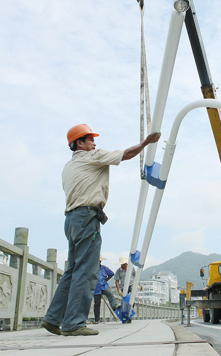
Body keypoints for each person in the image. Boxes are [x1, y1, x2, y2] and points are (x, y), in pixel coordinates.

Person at [42, 124, 160, 336]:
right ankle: (74, 324)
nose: (94, 143)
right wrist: (146, 143)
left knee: (71, 271)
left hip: (71, 219)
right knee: (86, 271)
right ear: (80, 143)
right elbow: (126, 154)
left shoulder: (68, 167)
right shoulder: (92, 156)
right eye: (90, 140)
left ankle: (52, 319)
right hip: (87, 218)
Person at [93, 256, 118, 324]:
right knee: (97, 303)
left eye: (100, 261)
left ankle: (114, 306)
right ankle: (96, 319)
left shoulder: (104, 268)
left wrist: (106, 280)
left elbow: (111, 274)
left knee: (110, 294)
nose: (99, 262)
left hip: (104, 285)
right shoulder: (91, 268)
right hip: (96, 288)